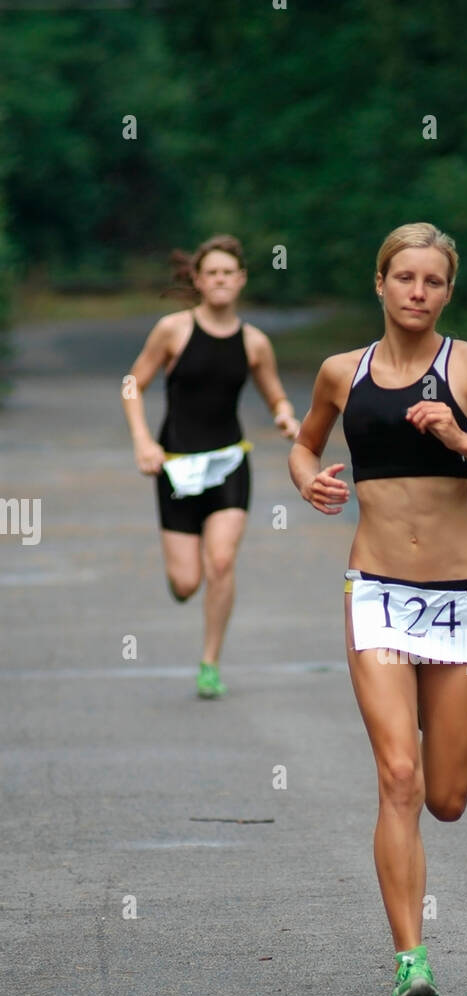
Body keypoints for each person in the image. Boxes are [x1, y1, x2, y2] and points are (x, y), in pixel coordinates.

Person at [289, 222, 467, 996]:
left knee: (446, 798)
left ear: (447, 291)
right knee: (397, 777)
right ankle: (411, 960)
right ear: (379, 282)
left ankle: (413, 936)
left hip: (458, 599)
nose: (417, 292)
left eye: (432, 282)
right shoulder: (342, 372)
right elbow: (302, 446)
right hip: (376, 593)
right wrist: (309, 480)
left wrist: (459, 437)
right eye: (404, 277)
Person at [122, 234, 300, 698]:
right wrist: (143, 441)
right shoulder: (172, 330)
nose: (221, 280)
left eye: (229, 273)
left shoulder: (255, 342)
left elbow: (274, 392)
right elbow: (131, 384)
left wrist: (284, 415)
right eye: (212, 273)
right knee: (186, 582)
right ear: (198, 280)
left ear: (240, 281)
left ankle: (210, 662)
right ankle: (180, 578)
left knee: (222, 560)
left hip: (228, 463)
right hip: (176, 467)